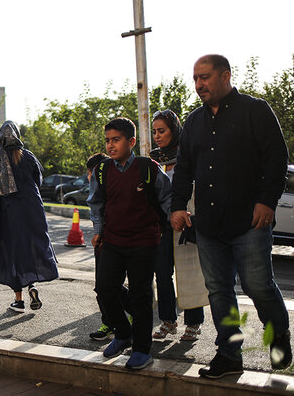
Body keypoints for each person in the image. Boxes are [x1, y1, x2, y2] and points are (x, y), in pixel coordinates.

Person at [171, 54, 292, 379]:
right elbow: (183, 167)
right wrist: (178, 205)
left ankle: (279, 335)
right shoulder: (194, 121)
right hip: (209, 225)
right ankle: (229, 355)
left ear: (225, 76)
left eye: (205, 77)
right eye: (195, 78)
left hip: (250, 222)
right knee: (220, 291)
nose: (199, 85)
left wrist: (267, 201)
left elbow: (277, 158)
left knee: (258, 285)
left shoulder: (255, 110)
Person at [87, 117, 171, 370]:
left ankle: (142, 350)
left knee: (140, 297)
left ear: (131, 141)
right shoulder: (102, 170)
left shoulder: (149, 168)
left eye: (116, 140)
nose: (110, 146)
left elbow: (166, 198)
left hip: (144, 242)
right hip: (112, 240)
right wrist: (98, 230)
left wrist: (177, 219)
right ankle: (123, 333)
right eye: (107, 141)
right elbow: (96, 203)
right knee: (104, 289)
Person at [0, 120, 59, 313]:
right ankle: (32, 285)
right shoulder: (28, 156)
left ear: (0, 137)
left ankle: (18, 300)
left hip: (6, 213)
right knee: (31, 248)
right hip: (32, 210)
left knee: (10, 253)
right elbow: (37, 181)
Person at [150, 109, 205, 341]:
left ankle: (193, 323)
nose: (157, 136)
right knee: (162, 274)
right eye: (154, 132)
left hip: (186, 222)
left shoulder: (189, 155)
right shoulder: (153, 159)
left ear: (174, 130)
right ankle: (167, 321)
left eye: (162, 131)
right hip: (161, 225)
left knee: (189, 271)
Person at [86, 152, 133, 341]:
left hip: (113, 240)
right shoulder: (103, 185)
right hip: (105, 240)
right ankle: (110, 322)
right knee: (104, 287)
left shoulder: (108, 184)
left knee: (107, 286)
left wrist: (99, 233)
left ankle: (130, 314)